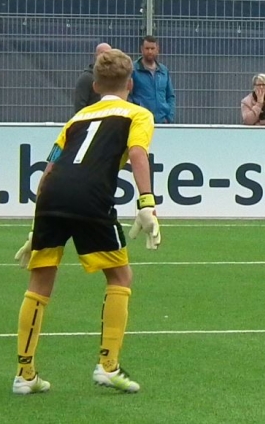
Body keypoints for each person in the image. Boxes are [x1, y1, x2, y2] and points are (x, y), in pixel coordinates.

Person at [10, 49, 162, 395]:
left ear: (95, 86)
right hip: (91, 196)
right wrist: (147, 203)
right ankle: (108, 366)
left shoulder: (76, 119)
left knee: (40, 281)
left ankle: (24, 374)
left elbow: (49, 168)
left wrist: (37, 226)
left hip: (51, 196)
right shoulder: (138, 114)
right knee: (120, 276)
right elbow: (138, 153)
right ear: (130, 84)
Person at [131, 35, 176, 124]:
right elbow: (128, 95)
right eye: (147, 48)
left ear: (157, 49)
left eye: (152, 48)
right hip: (141, 121)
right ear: (142, 49)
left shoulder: (164, 70)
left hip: (163, 122)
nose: (150, 51)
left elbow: (170, 96)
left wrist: (169, 117)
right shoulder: (133, 69)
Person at [74, 43, 112, 112]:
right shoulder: (86, 78)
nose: (106, 57)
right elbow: (79, 106)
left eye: (109, 54)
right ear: (96, 55)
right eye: (102, 53)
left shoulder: (115, 77)